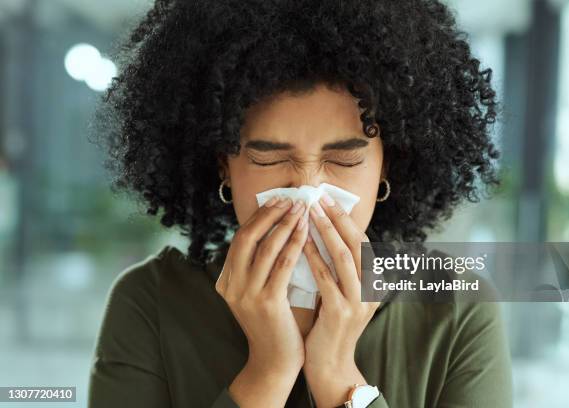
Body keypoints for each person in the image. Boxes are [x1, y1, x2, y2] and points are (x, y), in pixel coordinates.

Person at [87, 0, 512, 406]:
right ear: (224, 167)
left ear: (387, 167)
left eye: (344, 159)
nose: (308, 190)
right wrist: (269, 371)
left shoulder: (457, 309)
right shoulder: (150, 303)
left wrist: (338, 375)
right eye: (268, 158)